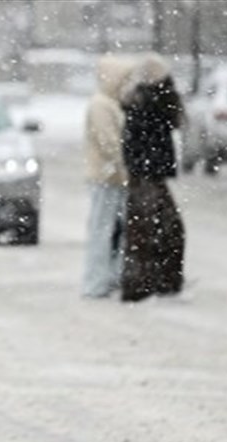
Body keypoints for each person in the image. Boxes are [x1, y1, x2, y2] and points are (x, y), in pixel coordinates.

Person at [119, 53, 186, 302]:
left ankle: (147, 283)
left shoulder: (143, 102)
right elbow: (171, 121)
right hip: (148, 175)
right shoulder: (152, 102)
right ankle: (150, 284)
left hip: (145, 174)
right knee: (154, 231)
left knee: (148, 230)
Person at [81, 54, 137, 298]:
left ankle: (111, 278)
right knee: (102, 231)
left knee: (115, 231)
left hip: (115, 177)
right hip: (106, 178)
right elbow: (109, 143)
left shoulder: (111, 103)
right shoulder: (101, 105)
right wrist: (125, 165)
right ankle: (96, 283)